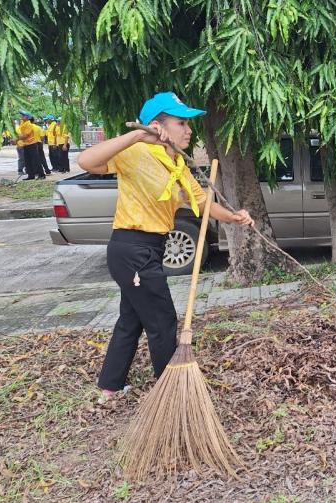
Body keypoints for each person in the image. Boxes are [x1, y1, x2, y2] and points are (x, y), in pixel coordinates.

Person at [77, 92, 255, 403]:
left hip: (152, 247)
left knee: (131, 319)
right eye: (181, 123)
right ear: (158, 126)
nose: (189, 130)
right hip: (131, 248)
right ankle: (171, 390)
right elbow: (87, 161)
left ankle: (110, 384)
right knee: (162, 320)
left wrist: (234, 217)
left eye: (188, 123)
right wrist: (136, 135)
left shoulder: (177, 163)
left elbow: (202, 202)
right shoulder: (134, 153)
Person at [17, 112, 44, 180]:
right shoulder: (23, 124)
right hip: (26, 145)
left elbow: (26, 135)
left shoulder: (29, 124)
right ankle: (31, 175)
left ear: (27, 117)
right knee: (27, 161)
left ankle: (41, 175)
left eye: (23, 115)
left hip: (31, 144)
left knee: (36, 160)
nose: (21, 116)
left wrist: (16, 139)